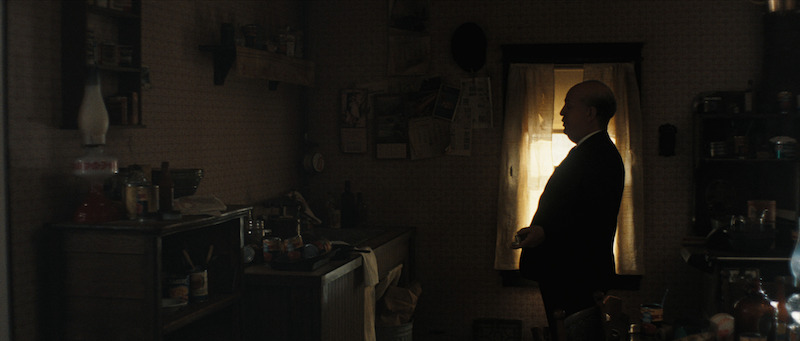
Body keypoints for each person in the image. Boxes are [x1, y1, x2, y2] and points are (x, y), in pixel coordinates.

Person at [513, 80, 625, 334]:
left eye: (568, 106)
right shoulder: (589, 152)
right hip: (569, 271)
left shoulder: (599, 156)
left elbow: (591, 218)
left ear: (590, 113)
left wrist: (545, 232)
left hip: (575, 274)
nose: (562, 113)